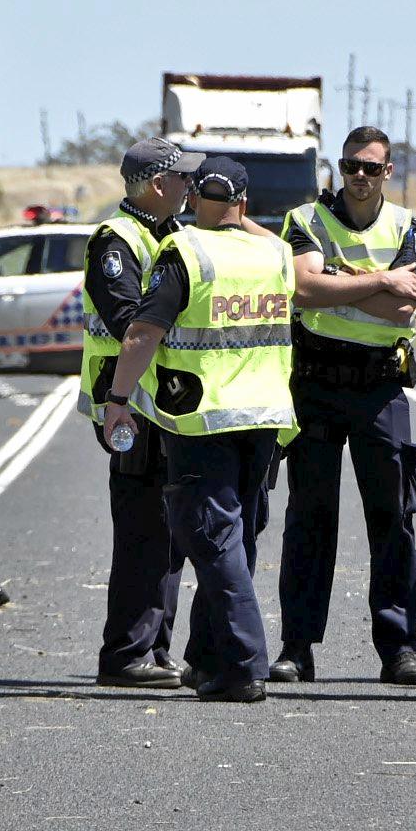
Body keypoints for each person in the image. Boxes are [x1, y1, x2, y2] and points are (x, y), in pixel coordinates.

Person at [102, 156, 295, 703]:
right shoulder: (275, 252)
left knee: (213, 540)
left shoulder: (185, 250)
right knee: (238, 539)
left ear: (194, 202)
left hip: (203, 419)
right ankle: (211, 660)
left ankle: (243, 663)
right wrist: (241, 216)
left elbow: (142, 333)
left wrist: (119, 399)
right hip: (265, 420)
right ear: (244, 203)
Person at [270, 126, 416, 687]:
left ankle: (399, 648)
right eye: (349, 166)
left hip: (379, 387)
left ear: (389, 171)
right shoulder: (305, 220)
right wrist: (382, 279)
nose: (359, 177)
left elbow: (402, 313)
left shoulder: (408, 225)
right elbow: (304, 291)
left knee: (392, 518)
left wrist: (340, 278)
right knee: (310, 518)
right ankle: (297, 646)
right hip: (314, 383)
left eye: (370, 167)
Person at [79, 137, 202, 688]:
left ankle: (155, 650)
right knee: (141, 533)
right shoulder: (117, 240)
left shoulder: (175, 233)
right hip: (128, 406)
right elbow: (131, 317)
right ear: (157, 185)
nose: (189, 186)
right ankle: (125, 653)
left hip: (168, 404)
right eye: (181, 178)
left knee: (171, 536)